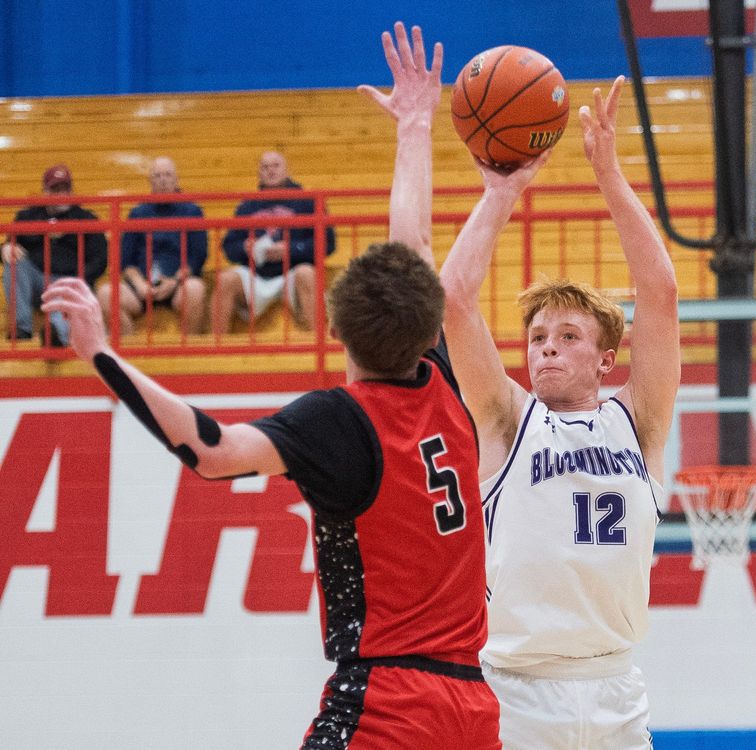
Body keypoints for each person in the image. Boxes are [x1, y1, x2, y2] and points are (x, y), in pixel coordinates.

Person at [42, 23, 500, 750]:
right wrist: (415, 127)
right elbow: (412, 243)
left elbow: (213, 451)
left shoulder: (341, 420)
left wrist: (102, 353)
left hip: (387, 702)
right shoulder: (448, 387)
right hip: (475, 706)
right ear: (426, 326)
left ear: (338, 334)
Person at [438, 77, 681, 749]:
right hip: (514, 688)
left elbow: (660, 292)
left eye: (568, 337)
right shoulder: (508, 419)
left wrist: (608, 174)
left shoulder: (639, 422)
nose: (546, 349)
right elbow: (454, 299)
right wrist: (502, 191)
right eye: (538, 338)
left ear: (607, 358)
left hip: (616, 685)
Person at [211, 150, 335, 334]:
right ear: (259, 173)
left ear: (287, 170)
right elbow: (229, 246)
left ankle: (318, 340)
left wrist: (291, 249)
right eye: (265, 167)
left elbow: (328, 244)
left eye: (276, 166)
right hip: (256, 274)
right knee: (225, 279)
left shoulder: (308, 201)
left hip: (293, 272)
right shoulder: (247, 206)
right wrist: (245, 248)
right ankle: (216, 347)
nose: (270, 171)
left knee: (307, 274)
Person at [96, 156, 207, 335]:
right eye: (157, 176)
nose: (163, 180)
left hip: (177, 284)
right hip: (141, 286)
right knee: (105, 293)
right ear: (150, 181)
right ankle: (128, 355)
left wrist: (174, 281)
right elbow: (125, 261)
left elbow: (197, 257)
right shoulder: (138, 213)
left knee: (196, 289)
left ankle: (190, 355)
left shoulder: (192, 211)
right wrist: (140, 284)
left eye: (168, 175)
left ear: (176, 180)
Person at [2, 164, 107, 346]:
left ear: (71, 191)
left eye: (65, 189)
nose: (60, 194)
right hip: (37, 280)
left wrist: (79, 279)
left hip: (70, 281)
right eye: (55, 189)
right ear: (44, 191)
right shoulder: (28, 216)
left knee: (69, 293)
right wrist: (5, 247)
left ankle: (55, 334)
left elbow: (100, 260)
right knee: (14, 265)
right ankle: (22, 329)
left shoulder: (87, 218)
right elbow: (10, 243)